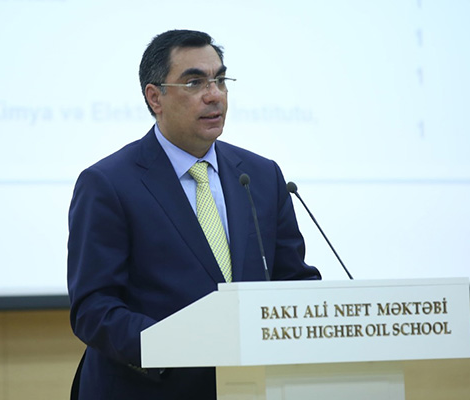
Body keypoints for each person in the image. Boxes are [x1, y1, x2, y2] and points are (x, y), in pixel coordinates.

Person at [67, 29, 320, 400]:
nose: (214, 94)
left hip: (251, 387)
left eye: (220, 80)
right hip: (150, 389)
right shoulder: (108, 184)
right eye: (194, 82)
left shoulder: (261, 176)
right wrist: (174, 346)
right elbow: (94, 308)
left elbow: (292, 280)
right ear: (155, 97)